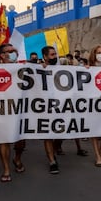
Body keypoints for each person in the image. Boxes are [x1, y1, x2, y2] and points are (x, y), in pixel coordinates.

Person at [0, 44, 26, 182]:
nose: (14, 53)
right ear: (2, 55)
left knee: (20, 142)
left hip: (20, 110)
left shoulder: (24, 68)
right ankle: (6, 169)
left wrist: (42, 67)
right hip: (1, 111)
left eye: (14, 50)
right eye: (9, 51)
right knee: (4, 140)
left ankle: (17, 158)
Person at [41, 46, 60, 174]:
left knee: (60, 134)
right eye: (52, 55)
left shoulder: (61, 68)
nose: (55, 57)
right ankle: (52, 161)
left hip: (60, 106)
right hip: (45, 107)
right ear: (45, 57)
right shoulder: (38, 69)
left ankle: (54, 151)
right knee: (48, 134)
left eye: (55, 54)